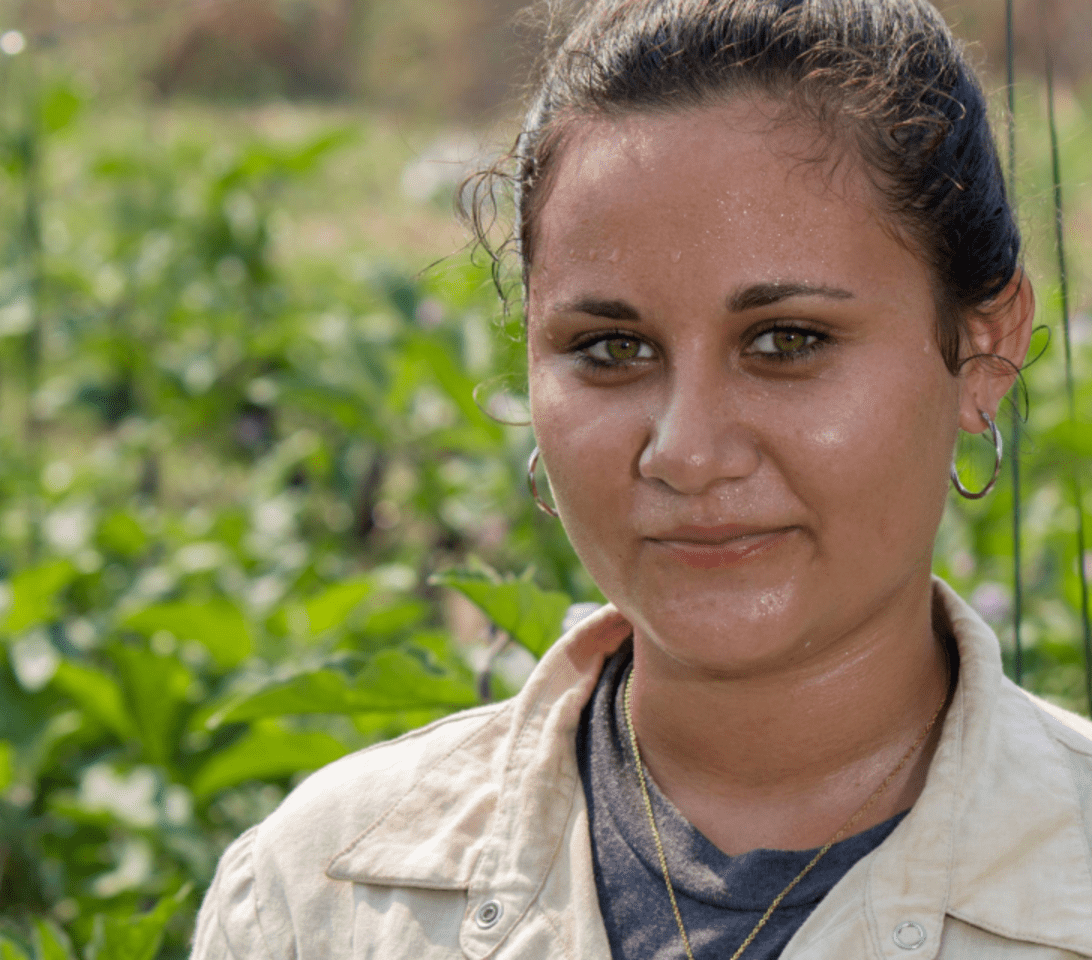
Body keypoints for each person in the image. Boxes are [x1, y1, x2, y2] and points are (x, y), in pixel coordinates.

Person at [190, 1, 1092, 957]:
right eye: (611, 349)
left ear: (984, 349)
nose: (687, 451)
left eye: (787, 341)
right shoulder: (322, 895)